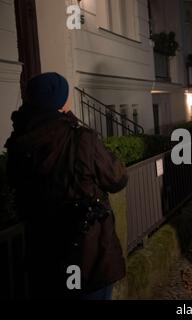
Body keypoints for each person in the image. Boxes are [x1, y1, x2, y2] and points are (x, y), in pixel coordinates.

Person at [5, 72, 127, 300]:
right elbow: (117, 179)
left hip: (44, 254)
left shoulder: (19, 144)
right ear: (62, 102)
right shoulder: (80, 139)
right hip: (86, 253)